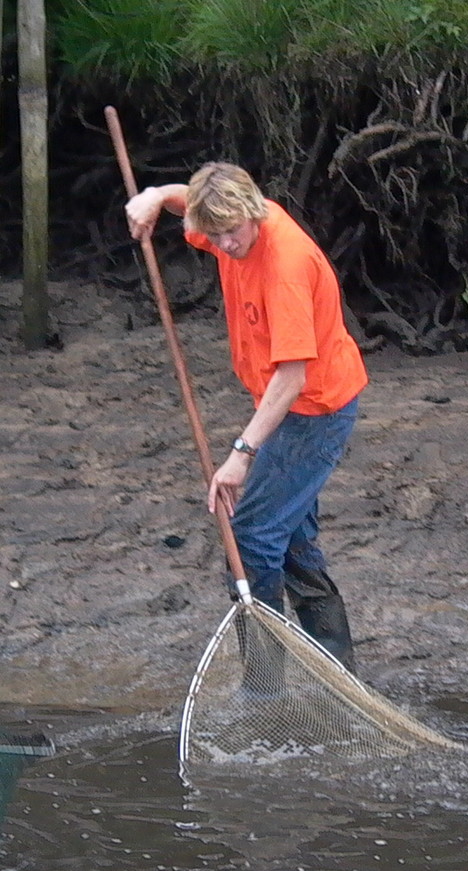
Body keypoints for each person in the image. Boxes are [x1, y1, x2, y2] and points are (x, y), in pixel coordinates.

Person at [126, 163, 368, 672]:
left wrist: (240, 455)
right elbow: (184, 202)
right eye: (214, 235)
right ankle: (339, 673)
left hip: (314, 410)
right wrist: (152, 195)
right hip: (284, 405)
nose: (226, 245)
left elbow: (292, 379)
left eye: (233, 232)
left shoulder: (285, 265)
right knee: (292, 540)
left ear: (253, 212)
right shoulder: (223, 226)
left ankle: (265, 689)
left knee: (253, 537)